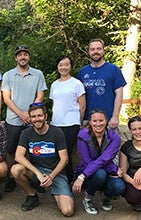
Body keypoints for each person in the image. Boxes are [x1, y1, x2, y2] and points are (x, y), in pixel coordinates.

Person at [11, 103, 74, 216]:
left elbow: (64, 159)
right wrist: (38, 173)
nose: (37, 119)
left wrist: (51, 177)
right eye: (33, 117)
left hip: (56, 174)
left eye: (39, 116)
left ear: (45, 116)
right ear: (30, 118)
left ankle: (56, 192)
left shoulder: (57, 132)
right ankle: (32, 195)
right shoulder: (26, 133)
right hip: (37, 171)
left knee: (68, 211)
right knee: (16, 169)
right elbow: (18, 156)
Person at [1, 45, 47, 192]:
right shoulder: (8, 75)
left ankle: (35, 178)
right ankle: (10, 178)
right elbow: (6, 98)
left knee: (34, 149)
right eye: (19, 55)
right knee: (10, 150)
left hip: (32, 120)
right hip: (13, 119)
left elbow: (40, 95)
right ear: (16, 58)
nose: (22, 57)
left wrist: (29, 113)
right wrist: (21, 114)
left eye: (25, 54)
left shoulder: (38, 74)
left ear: (29, 57)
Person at [72, 109, 125, 215]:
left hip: (99, 172)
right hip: (86, 172)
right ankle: (88, 198)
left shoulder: (115, 138)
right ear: (90, 122)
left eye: (101, 120)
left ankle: (105, 195)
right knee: (100, 173)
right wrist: (114, 169)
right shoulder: (83, 136)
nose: (98, 124)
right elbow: (88, 161)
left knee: (119, 187)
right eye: (94, 121)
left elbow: (105, 158)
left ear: (106, 121)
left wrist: (111, 169)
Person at [49, 55, 86, 183]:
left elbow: (82, 106)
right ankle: (57, 180)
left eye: (66, 64)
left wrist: (78, 123)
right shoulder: (54, 85)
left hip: (71, 123)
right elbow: (55, 104)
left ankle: (68, 181)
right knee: (55, 153)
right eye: (60, 65)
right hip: (56, 123)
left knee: (66, 154)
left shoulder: (77, 83)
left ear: (70, 66)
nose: (63, 67)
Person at [77, 38, 126, 129]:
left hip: (108, 120)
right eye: (92, 49)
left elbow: (119, 94)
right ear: (88, 52)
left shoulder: (113, 69)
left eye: (99, 49)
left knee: (110, 143)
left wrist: (115, 116)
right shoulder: (82, 72)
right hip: (87, 121)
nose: (96, 51)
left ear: (103, 51)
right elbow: (78, 98)